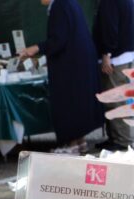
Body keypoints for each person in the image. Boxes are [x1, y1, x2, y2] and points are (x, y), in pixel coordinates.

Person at [21, 0, 103, 154]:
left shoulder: (60, 6)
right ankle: (80, 142)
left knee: (69, 102)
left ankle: (71, 144)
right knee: (78, 102)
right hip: (79, 62)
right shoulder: (69, 3)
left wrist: (37, 47)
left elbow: (59, 39)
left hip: (70, 64)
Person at [93, 0, 134, 151]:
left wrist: (106, 54)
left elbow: (110, 27)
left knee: (115, 99)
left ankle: (122, 140)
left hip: (115, 58)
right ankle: (116, 137)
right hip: (126, 54)